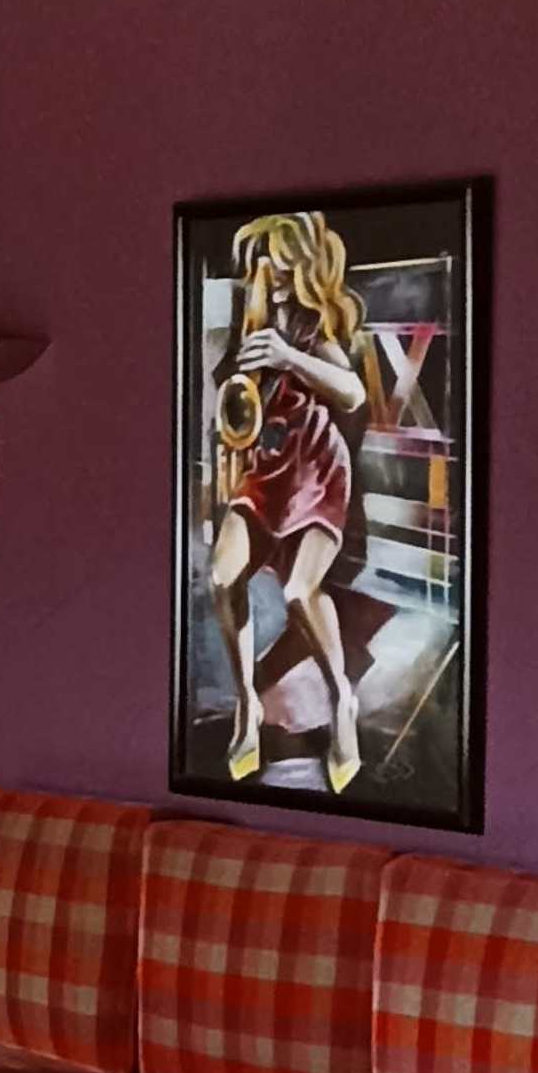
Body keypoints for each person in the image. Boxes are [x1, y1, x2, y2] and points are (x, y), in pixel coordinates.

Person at [206, 210, 383, 795]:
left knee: (298, 591)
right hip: (265, 466)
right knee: (220, 577)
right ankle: (246, 705)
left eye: (277, 262)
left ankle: (342, 697)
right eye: (261, 263)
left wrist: (285, 356)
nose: (267, 272)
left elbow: (353, 391)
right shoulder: (252, 318)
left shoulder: (311, 327)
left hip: (316, 465)